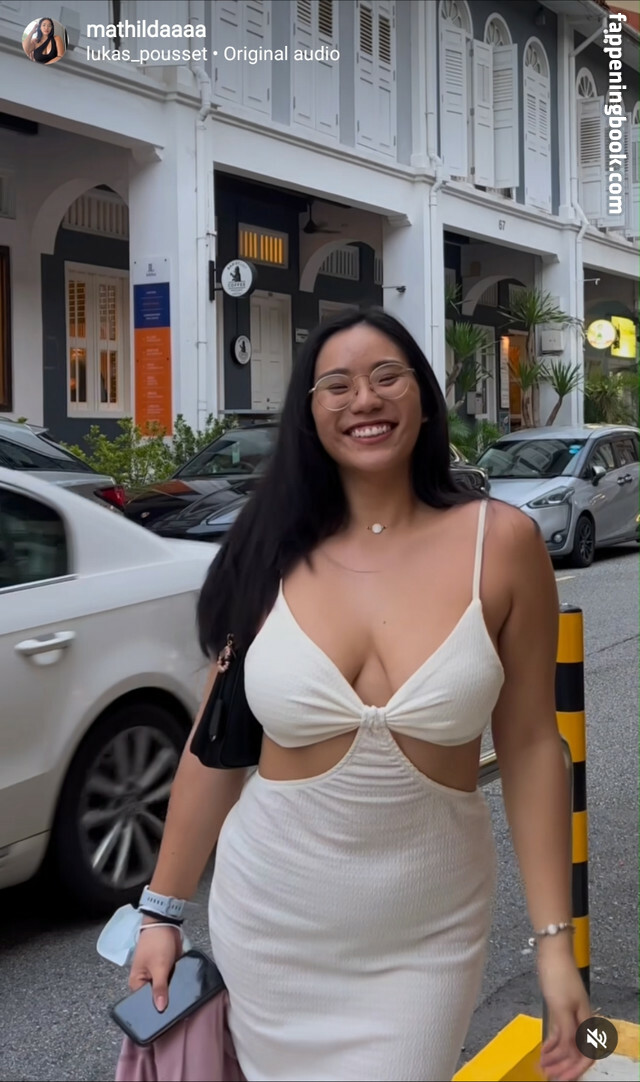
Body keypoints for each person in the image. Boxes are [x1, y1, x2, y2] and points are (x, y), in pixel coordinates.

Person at [128, 309, 593, 1082]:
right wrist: (161, 914)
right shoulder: (269, 550)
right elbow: (214, 747)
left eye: (386, 377)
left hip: (426, 936)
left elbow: (532, 745)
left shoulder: (501, 543)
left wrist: (555, 944)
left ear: (423, 398)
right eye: (337, 386)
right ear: (310, 413)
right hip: (269, 925)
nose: (364, 400)